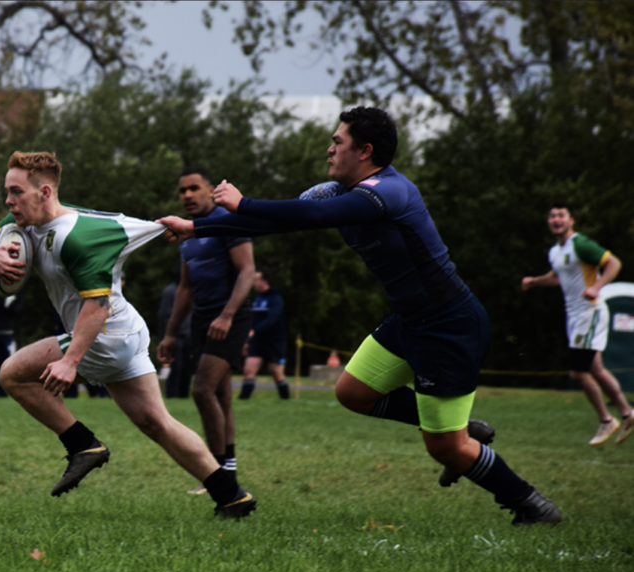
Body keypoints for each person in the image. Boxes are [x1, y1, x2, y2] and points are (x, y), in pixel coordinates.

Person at [159, 106, 561, 526]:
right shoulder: (336, 191)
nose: (329, 149)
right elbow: (277, 222)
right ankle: (461, 432)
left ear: (365, 151)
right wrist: (196, 228)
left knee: (445, 448)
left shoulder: (389, 191)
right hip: (409, 321)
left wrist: (242, 203)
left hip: (448, 324)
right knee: (353, 391)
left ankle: (532, 504)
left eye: (338, 142)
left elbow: (311, 216)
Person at [0, 151, 255, 518]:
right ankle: (232, 496)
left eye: (16, 192)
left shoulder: (76, 237)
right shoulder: (24, 224)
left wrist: (69, 362)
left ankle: (82, 445)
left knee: (11, 373)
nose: (8, 201)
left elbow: (96, 306)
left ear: (44, 192)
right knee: (156, 422)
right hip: (125, 330)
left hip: (103, 334)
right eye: (7, 191)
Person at [157, 166, 255, 495]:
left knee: (202, 390)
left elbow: (247, 272)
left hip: (231, 318)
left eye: (193, 188)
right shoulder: (188, 232)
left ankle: (215, 472)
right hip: (202, 320)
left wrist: (227, 315)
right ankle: (225, 471)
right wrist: (170, 334)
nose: (187, 195)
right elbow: (185, 288)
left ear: (209, 190)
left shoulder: (228, 221)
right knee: (220, 395)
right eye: (182, 190)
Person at [522, 204, 634, 446]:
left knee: (578, 373)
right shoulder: (556, 251)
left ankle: (607, 419)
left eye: (561, 215)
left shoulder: (580, 244)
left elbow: (613, 263)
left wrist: (596, 286)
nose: (556, 219)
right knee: (596, 370)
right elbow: (557, 277)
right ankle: (627, 413)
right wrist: (534, 282)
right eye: (552, 215)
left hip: (590, 313)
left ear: (571, 220)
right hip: (574, 317)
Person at [239, 267, 290, 400]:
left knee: (276, 372)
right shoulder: (257, 299)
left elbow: (272, 319)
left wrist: (255, 330)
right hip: (258, 341)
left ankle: (285, 399)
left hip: (274, 340)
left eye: (255, 280)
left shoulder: (275, 298)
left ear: (264, 281)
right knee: (248, 369)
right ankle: (243, 399)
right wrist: (248, 340)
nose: (253, 283)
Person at [156, 271, 194, 399]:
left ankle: (184, 395)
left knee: (187, 368)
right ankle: (172, 395)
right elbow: (163, 315)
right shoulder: (170, 292)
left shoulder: (190, 291)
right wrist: (165, 336)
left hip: (188, 334)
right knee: (175, 368)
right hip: (175, 336)